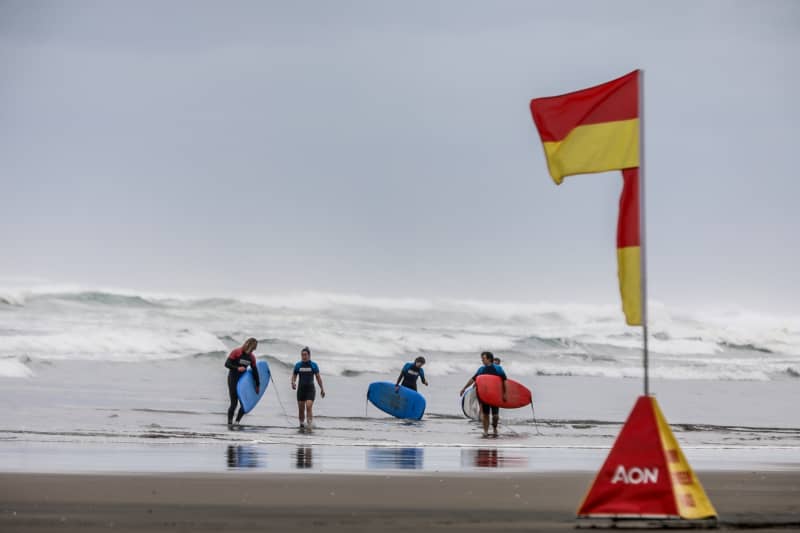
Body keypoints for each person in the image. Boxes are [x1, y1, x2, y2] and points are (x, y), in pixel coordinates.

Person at [459, 351, 507, 437]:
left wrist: (505, 393)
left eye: (483, 358)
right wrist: (464, 388)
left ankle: (495, 427)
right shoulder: (481, 369)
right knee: (486, 414)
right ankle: (485, 431)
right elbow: (473, 379)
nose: (482, 360)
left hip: (495, 395)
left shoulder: (498, 369)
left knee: (495, 416)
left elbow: (504, 381)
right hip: (484, 395)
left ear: (489, 359)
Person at [224, 337, 260, 427]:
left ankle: (237, 422)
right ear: (247, 345)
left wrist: (258, 385)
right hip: (233, 379)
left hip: (243, 381)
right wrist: (237, 368)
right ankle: (229, 423)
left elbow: (255, 371)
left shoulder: (251, 357)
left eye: (253, 349)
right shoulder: (236, 352)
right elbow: (227, 364)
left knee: (244, 404)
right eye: (251, 349)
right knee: (234, 403)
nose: (252, 351)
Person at [291, 346, 325, 428]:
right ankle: (302, 425)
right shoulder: (298, 365)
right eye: (302, 355)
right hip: (301, 390)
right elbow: (294, 375)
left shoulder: (313, 365)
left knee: (309, 406)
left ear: (309, 356)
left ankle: (309, 425)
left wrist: (322, 389)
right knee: (301, 409)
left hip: (310, 389)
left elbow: (318, 378)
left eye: (305, 355)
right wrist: (293, 382)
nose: (304, 356)